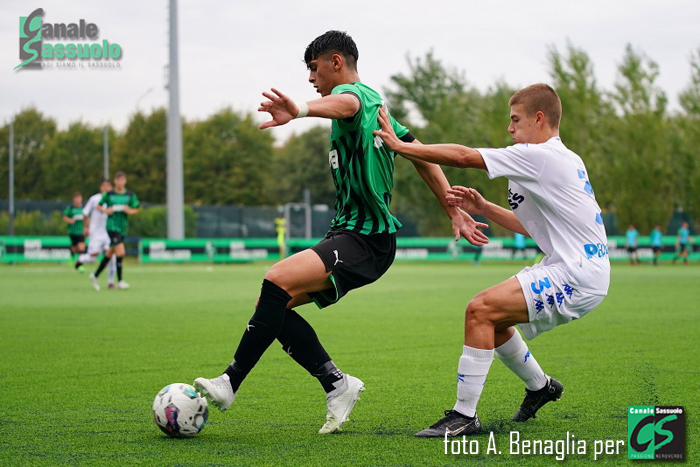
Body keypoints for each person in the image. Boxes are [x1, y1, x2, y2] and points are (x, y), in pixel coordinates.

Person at [193, 30, 488, 435]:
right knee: (273, 305)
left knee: (276, 277)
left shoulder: (359, 97)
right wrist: (452, 209)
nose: (310, 78)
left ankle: (230, 382)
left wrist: (300, 110)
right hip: (347, 235)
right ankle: (337, 384)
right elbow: (422, 155)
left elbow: (346, 102)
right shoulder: (379, 114)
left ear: (336, 62)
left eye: (314, 68)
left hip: (367, 239)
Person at [373, 83, 610, 437]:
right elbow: (535, 228)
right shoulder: (564, 159)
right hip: (579, 269)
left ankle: (464, 415)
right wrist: (484, 208)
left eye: (516, 120)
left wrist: (401, 146)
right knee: (494, 322)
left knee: (479, 310)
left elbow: (464, 157)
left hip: (576, 273)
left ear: (539, 119)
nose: (510, 128)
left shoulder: (540, 156)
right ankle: (541, 387)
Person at [89, 171, 139, 290]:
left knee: (110, 253)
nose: (120, 182)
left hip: (122, 227)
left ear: (125, 181)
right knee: (120, 252)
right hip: (112, 227)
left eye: (122, 180)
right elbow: (99, 206)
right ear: (115, 181)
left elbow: (136, 208)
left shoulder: (130, 195)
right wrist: (106, 210)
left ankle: (95, 275)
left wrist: (129, 211)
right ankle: (120, 281)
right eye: (117, 180)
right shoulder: (109, 194)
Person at [75, 179, 117, 289]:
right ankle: (80, 259)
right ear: (101, 188)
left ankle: (110, 282)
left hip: (107, 233)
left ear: (111, 188)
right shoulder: (94, 199)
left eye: (108, 186)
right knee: (93, 257)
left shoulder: (113, 199)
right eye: (104, 186)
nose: (106, 188)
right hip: (95, 233)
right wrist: (86, 227)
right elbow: (85, 213)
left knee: (112, 256)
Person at [63, 192, 86, 268]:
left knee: (81, 247)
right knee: (74, 248)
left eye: (79, 198)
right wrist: (70, 220)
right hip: (73, 231)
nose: (78, 200)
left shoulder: (84, 209)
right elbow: (64, 217)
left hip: (81, 231)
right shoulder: (71, 208)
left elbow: (86, 218)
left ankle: (80, 264)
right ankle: (72, 257)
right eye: (76, 198)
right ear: (74, 200)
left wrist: (87, 227)